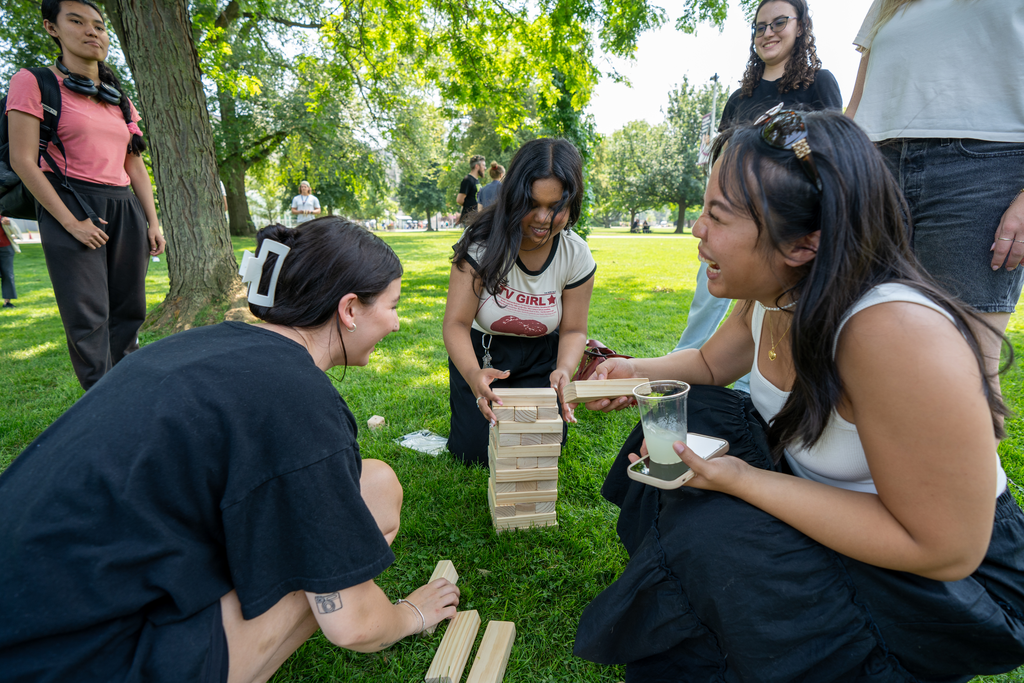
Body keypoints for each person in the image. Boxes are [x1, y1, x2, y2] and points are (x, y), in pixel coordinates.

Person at [572, 111, 1024, 681]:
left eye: (718, 215)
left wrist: (741, 480)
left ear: (805, 244)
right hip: (839, 504)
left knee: (711, 530)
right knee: (685, 415)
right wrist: (628, 371)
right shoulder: (776, 291)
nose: (696, 230)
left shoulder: (894, 335)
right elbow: (711, 364)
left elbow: (945, 549)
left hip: (950, 588)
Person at [0, 217, 461, 683]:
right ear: (349, 309)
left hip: (33, 622)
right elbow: (354, 625)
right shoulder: (297, 398)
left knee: (373, 482)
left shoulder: (202, 344)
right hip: (77, 663)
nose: (397, 323)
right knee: (370, 504)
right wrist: (411, 614)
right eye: (392, 305)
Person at [846, 0, 1024, 402]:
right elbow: (858, 102)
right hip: (874, 171)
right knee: (868, 353)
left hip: (984, 171)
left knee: (965, 371)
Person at [672, 0, 842, 395]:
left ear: (801, 27)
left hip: (782, 225)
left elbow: (831, 154)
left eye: (779, 22)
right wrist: (715, 215)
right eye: (759, 26)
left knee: (777, 306)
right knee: (709, 293)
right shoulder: (739, 97)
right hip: (734, 220)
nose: (768, 33)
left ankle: (756, 381)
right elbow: (721, 161)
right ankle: (685, 362)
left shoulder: (819, 82)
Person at [7, 0, 165, 390]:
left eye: (98, 25)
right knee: (88, 318)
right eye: (76, 21)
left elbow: (134, 165)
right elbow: (23, 160)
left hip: (125, 207)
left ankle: (126, 393)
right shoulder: (34, 81)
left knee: (130, 311)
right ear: (52, 28)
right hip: (72, 203)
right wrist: (71, 224)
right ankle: (101, 405)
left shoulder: (118, 98)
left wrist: (153, 221)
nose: (92, 31)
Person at [443, 138, 596, 466]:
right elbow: (455, 324)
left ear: (573, 204)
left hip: (542, 358)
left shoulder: (576, 253)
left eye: (556, 207)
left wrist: (565, 371)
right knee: (476, 453)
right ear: (513, 197)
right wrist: (473, 376)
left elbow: (573, 331)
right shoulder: (481, 246)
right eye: (532, 204)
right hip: (482, 355)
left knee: (542, 443)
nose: (542, 218)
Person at [456, 154, 485, 226]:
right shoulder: (468, 180)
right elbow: (459, 200)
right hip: (469, 218)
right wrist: (470, 206)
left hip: (476, 217)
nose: (485, 168)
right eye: (483, 165)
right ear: (477, 166)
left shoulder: (476, 180)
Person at [0, 216, 18, 308]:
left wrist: (9, 222)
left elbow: (15, 230)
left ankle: (7, 302)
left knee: (7, 274)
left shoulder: (2, 214)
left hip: (5, 247)